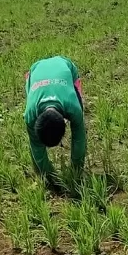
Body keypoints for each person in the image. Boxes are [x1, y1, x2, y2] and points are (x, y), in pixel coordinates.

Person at [24, 55, 86, 184]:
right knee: (35, 150)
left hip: (65, 65)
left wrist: (76, 172)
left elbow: (79, 138)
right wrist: (51, 178)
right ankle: (41, 173)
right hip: (35, 69)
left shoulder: (73, 108)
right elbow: (35, 145)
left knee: (79, 118)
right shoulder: (30, 114)